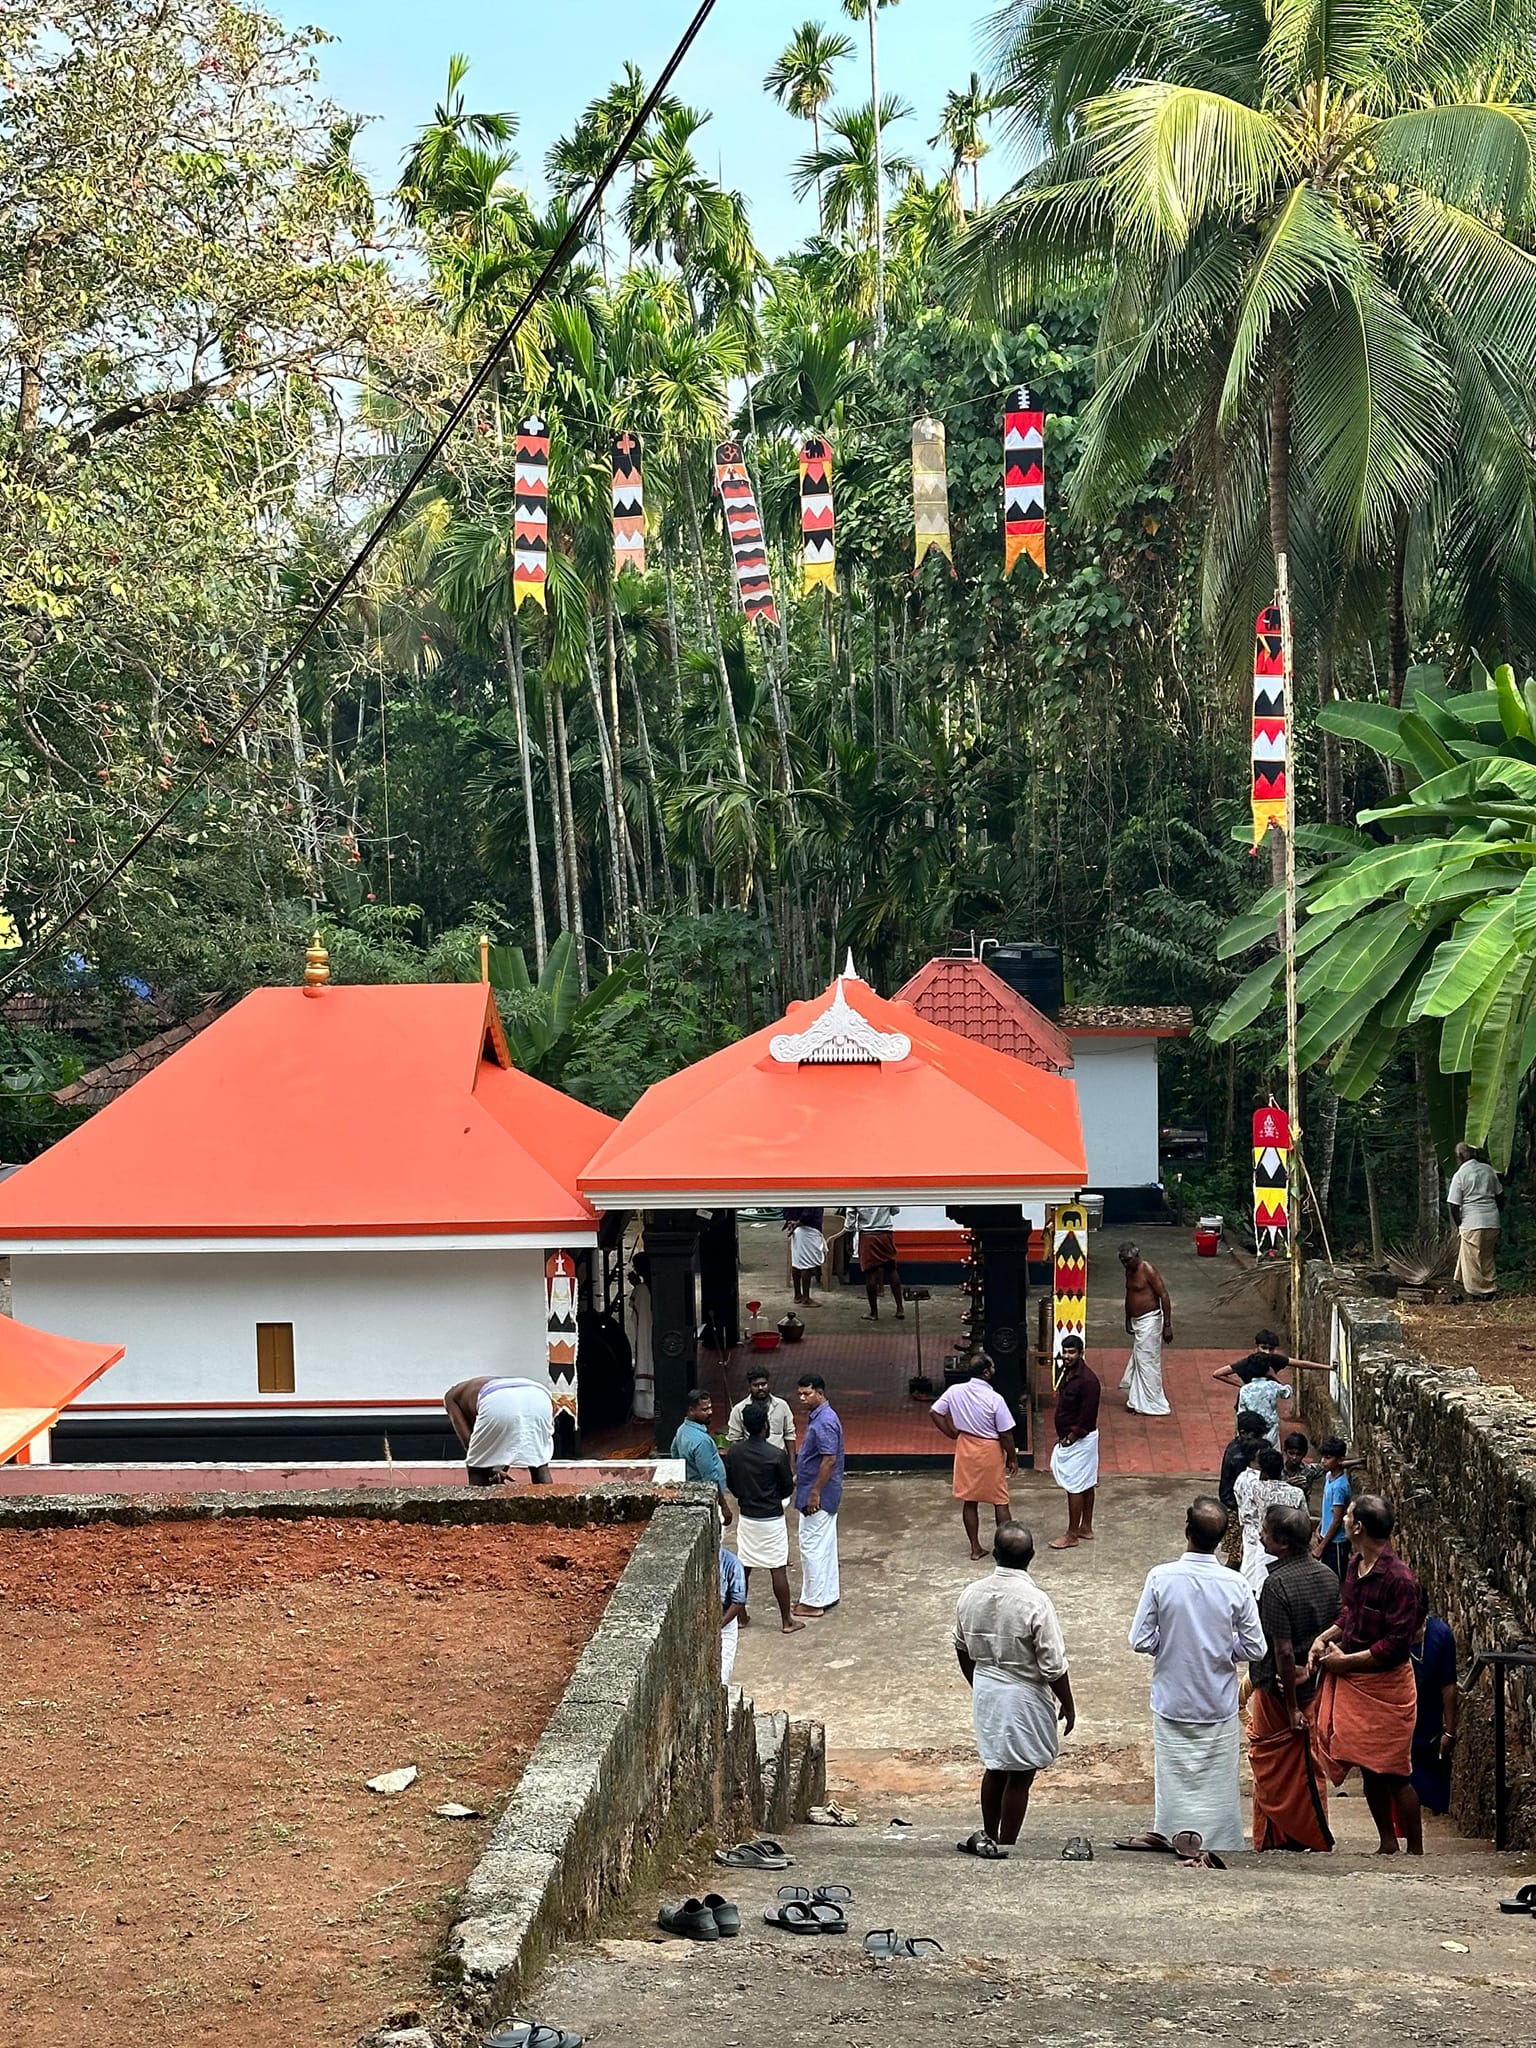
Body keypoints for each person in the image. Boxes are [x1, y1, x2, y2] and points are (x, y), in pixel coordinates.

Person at [1129, 1496, 1266, 1853]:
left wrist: (1172, 1643)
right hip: (1216, 1700)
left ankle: (1172, 1834)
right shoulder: (1234, 1584)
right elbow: (1256, 1648)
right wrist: (1222, 1650)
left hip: (1172, 1697)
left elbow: (1140, 1639)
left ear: (1186, 1530)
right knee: (1218, 1783)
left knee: (1172, 1780)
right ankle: (1219, 1843)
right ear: (1221, 1539)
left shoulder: (1161, 1577)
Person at [1308, 1494, 1424, 1855]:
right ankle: (1387, 1844)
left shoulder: (1400, 1580)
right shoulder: (1356, 1564)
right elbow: (1351, 1615)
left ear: (1358, 1527)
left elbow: (1395, 1645)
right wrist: (1325, 1637)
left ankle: (1415, 1853)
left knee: (1395, 1772)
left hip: (1385, 1685)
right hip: (1357, 1679)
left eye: (1349, 1516)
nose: (1343, 1519)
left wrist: (1347, 1662)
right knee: (1370, 1767)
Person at [953, 1521, 1075, 1855]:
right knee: (1021, 1773)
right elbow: (1052, 1662)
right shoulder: (1036, 1601)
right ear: (1032, 1556)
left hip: (988, 1687)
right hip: (1024, 1692)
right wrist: (1068, 1703)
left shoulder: (970, 1594)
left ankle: (988, 1836)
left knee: (995, 1766)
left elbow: (960, 1645)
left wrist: (978, 1681)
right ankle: (1005, 1844)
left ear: (995, 1553)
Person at [1248, 1503, 1342, 1852]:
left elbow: (1283, 1651)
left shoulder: (1276, 1585)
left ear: (1283, 1543)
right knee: (1308, 1760)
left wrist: (1289, 1709)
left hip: (1279, 1692)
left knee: (1275, 1769)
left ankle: (1276, 1838)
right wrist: (1315, 1667)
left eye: (1266, 1533)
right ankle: (1309, 1832)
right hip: (1315, 1686)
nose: (1260, 1536)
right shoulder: (1328, 1576)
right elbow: (1337, 1631)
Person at [724, 1403, 802, 1636]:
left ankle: (742, 1615)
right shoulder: (776, 1455)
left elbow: (731, 1482)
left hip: (748, 1517)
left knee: (745, 1566)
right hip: (771, 1518)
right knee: (777, 1568)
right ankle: (786, 1620)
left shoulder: (735, 1452)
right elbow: (787, 1486)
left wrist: (742, 1496)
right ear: (765, 1425)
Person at [930, 1355, 1020, 1559]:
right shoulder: (994, 1399)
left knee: (969, 1500)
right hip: (989, 1448)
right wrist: (1012, 1457)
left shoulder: (955, 1391)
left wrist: (951, 1432)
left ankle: (975, 1548)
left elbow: (935, 1412)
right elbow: (1006, 1433)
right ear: (986, 1372)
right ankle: (1004, 1548)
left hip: (965, 1446)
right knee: (1000, 1499)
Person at [444, 1374, 555, 1486]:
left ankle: (478, 1503)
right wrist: (496, 1470)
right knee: (539, 1464)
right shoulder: (477, 1386)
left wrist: (489, 1470)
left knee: (477, 1468)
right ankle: (552, 1502)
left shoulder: (450, 1398)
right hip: (539, 1397)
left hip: (496, 1400)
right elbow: (508, 1437)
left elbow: (470, 1445)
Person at [794, 1373, 845, 1617]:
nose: (802, 1398)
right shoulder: (821, 1417)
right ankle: (827, 1594)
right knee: (824, 1544)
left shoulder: (824, 1421)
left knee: (812, 1546)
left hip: (819, 1494)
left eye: (807, 1393)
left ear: (820, 1393)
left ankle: (813, 1602)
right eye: (800, 1394)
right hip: (818, 1489)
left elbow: (829, 1459)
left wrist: (814, 1492)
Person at [1048, 1335, 1101, 1550]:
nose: (1067, 1356)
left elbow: (1087, 1418)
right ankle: (1085, 1527)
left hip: (1081, 1440)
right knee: (1086, 1482)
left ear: (1081, 1353)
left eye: (1072, 1352)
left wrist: (1071, 1438)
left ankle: (1072, 1534)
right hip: (1076, 1439)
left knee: (1075, 1486)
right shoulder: (1065, 1372)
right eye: (1065, 1352)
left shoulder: (1089, 1381)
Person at [1409, 1590, 1459, 1816]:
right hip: (1400, 1723)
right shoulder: (1392, 1633)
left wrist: (1449, 1731)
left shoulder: (1441, 1635)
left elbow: (1448, 1684)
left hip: (1429, 1726)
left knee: (1432, 1796)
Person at [1233, 1442, 1305, 1593]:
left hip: (1266, 1545)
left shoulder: (1255, 1489)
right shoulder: (1297, 1493)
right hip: (1291, 1546)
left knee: (1261, 1585)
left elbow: (1246, 1515)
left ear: (1262, 1471)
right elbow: (1305, 1520)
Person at [1118, 1242, 1173, 1416]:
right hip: (1137, 1321)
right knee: (1139, 1359)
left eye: (1127, 1260)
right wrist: (1127, 1318)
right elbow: (1129, 1294)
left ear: (1136, 1256)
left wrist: (1167, 1325)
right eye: (1122, 1261)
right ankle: (1136, 1399)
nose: (1125, 1264)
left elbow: (1163, 1294)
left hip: (1150, 1321)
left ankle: (1154, 1403)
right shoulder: (1129, 1270)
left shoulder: (1147, 1269)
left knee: (1147, 1361)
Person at [1447, 1140, 1503, 1301]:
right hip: (1492, 1220)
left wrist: (1460, 1224)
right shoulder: (1488, 1170)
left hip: (1472, 1221)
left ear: (1460, 1156)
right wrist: (1495, 1212)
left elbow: (1453, 1204)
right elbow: (1500, 1195)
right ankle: (1490, 1288)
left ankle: (1477, 1292)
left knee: (1471, 1260)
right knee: (1486, 1255)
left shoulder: (1460, 1175)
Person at [670, 1388, 733, 1527]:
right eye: (704, 1410)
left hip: (693, 1492)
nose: (710, 1412)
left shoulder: (682, 1430)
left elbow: (674, 1453)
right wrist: (724, 1506)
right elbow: (710, 1478)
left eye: (710, 1408)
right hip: (708, 1498)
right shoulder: (701, 1441)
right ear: (691, 1411)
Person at [1218, 1410, 1268, 1568]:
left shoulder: (1236, 1447)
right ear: (1243, 1433)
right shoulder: (1241, 1458)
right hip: (1236, 1508)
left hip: (1234, 1505)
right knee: (1238, 1554)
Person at [1211, 1351, 1293, 1445]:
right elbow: (1287, 1393)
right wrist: (1274, 1376)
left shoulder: (1245, 1390)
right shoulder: (1273, 1386)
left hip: (1252, 1432)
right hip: (1270, 1431)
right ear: (1267, 1370)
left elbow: (1241, 1412)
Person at [849, 1205, 904, 1320]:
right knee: (891, 1269)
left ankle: (874, 1313)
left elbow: (851, 1214)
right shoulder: (885, 1190)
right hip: (885, 1233)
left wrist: (849, 1229)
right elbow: (895, 1210)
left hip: (868, 1235)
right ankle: (900, 1308)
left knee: (870, 1273)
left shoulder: (856, 1191)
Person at [726, 1367, 796, 1456]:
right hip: (751, 1461)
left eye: (763, 1384)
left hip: (777, 1460)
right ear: (749, 1387)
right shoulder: (739, 1409)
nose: (760, 1388)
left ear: (768, 1384)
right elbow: (734, 1439)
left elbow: (789, 1435)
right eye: (756, 1385)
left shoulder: (782, 1405)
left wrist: (792, 1466)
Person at [1313, 1437, 1354, 1577]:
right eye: (1323, 1457)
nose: (1323, 1461)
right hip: (1326, 1536)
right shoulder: (1329, 1476)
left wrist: (1321, 1547)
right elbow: (1328, 1510)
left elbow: (1337, 1520)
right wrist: (1320, 1527)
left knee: (1335, 1577)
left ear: (1339, 1460)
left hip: (1336, 1542)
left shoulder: (1339, 1487)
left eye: (1328, 1457)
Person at [783, 1207, 827, 1306]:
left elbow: (786, 1207)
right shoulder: (812, 1194)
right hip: (807, 1228)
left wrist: (790, 1221)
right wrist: (799, 1221)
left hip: (797, 1227)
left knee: (797, 1263)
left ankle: (798, 1295)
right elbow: (810, 1209)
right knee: (807, 1265)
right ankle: (806, 1299)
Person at [719, 1543, 748, 1681]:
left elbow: (738, 1601)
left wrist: (717, 1626)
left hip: (725, 1620)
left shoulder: (732, 1562)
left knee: (723, 1672)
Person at [1281, 1431, 1323, 1504]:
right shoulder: (1276, 1470)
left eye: (1298, 1454)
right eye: (1291, 1453)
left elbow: (1330, 1465)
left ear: (1304, 1454)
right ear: (1285, 1451)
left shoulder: (1309, 1471)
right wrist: (1286, 1485)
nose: (1294, 1457)